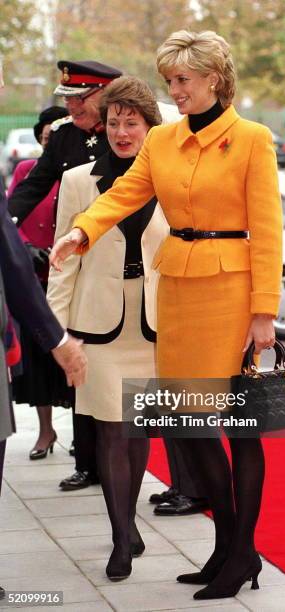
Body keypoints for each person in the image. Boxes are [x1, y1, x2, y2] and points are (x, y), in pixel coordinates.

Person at [50, 30, 282, 600]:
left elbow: (269, 231)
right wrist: (82, 231)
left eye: (183, 80)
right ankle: (227, 545)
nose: (174, 90)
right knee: (188, 423)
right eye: (171, 80)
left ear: (214, 80)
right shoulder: (165, 140)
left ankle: (242, 551)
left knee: (239, 428)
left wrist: (265, 313)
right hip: (177, 286)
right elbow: (124, 193)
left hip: (232, 289)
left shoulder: (252, 139)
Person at [47, 75, 169, 580]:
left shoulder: (170, 177)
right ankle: (121, 536)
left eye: (131, 123)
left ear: (149, 127)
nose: (122, 132)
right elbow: (63, 261)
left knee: (137, 428)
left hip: (154, 325)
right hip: (97, 326)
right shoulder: (78, 180)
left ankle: (128, 519)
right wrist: (56, 332)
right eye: (114, 122)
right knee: (111, 430)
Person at [9, 59, 122, 490]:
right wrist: (7, 220)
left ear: (105, 94)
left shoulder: (131, 131)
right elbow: (34, 185)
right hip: (82, 266)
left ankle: (173, 476)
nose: (71, 106)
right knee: (80, 367)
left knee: (133, 377)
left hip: (127, 267)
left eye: (80, 97)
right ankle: (88, 462)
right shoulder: (64, 138)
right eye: (68, 98)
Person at [8, 106, 71, 460]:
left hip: (68, 275)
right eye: (46, 138)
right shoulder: (27, 171)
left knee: (72, 359)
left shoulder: (75, 173)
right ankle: (45, 431)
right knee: (38, 360)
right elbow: (9, 217)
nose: (52, 143)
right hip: (34, 278)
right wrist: (26, 248)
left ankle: (83, 438)